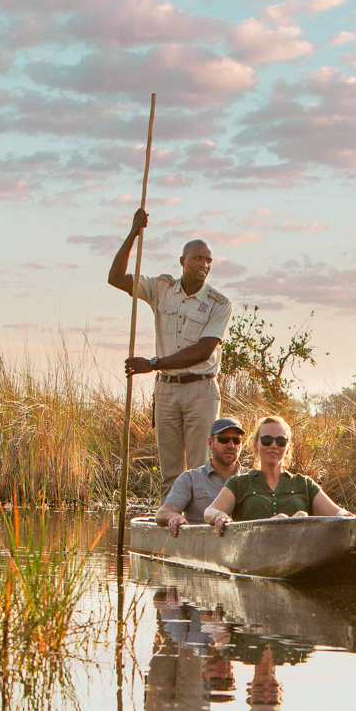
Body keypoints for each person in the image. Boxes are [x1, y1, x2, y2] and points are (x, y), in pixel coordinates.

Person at [108, 208, 232, 498]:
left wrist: (153, 363)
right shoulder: (160, 289)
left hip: (201, 390)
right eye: (198, 258)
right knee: (170, 474)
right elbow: (115, 278)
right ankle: (169, 525)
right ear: (183, 262)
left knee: (203, 470)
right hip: (166, 391)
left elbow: (203, 350)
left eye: (208, 260)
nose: (204, 264)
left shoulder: (219, 303)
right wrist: (133, 234)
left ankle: (202, 527)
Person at [203, 416, 351, 535]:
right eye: (267, 440)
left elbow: (338, 514)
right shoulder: (240, 483)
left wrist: (350, 517)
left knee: (301, 515)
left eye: (280, 441)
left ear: (288, 448)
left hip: (299, 552)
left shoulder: (304, 483)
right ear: (256, 445)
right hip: (256, 552)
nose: (273, 446)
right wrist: (219, 516)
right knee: (283, 519)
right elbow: (210, 511)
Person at [155, 418, 247, 536]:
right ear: (210, 443)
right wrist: (174, 517)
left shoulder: (252, 478)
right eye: (223, 440)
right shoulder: (190, 478)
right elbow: (163, 512)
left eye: (236, 440)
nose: (231, 445)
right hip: (200, 547)